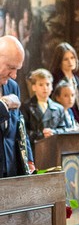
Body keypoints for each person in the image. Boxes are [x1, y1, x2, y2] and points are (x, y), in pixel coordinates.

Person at [0, 35, 32, 178]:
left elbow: (20, 126)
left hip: (11, 169)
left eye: (17, 69)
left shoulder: (13, 87)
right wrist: (3, 105)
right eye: (11, 68)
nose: (14, 75)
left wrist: (29, 160)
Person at [50, 42, 79, 127]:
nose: (70, 62)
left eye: (72, 58)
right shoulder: (54, 80)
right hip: (65, 124)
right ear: (59, 62)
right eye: (66, 59)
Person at [22, 69, 68, 143]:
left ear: (52, 87)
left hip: (54, 147)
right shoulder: (26, 107)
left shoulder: (59, 108)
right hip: (34, 148)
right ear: (34, 87)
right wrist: (41, 135)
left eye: (47, 84)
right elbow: (23, 131)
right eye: (41, 85)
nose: (45, 88)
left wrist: (53, 132)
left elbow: (63, 129)